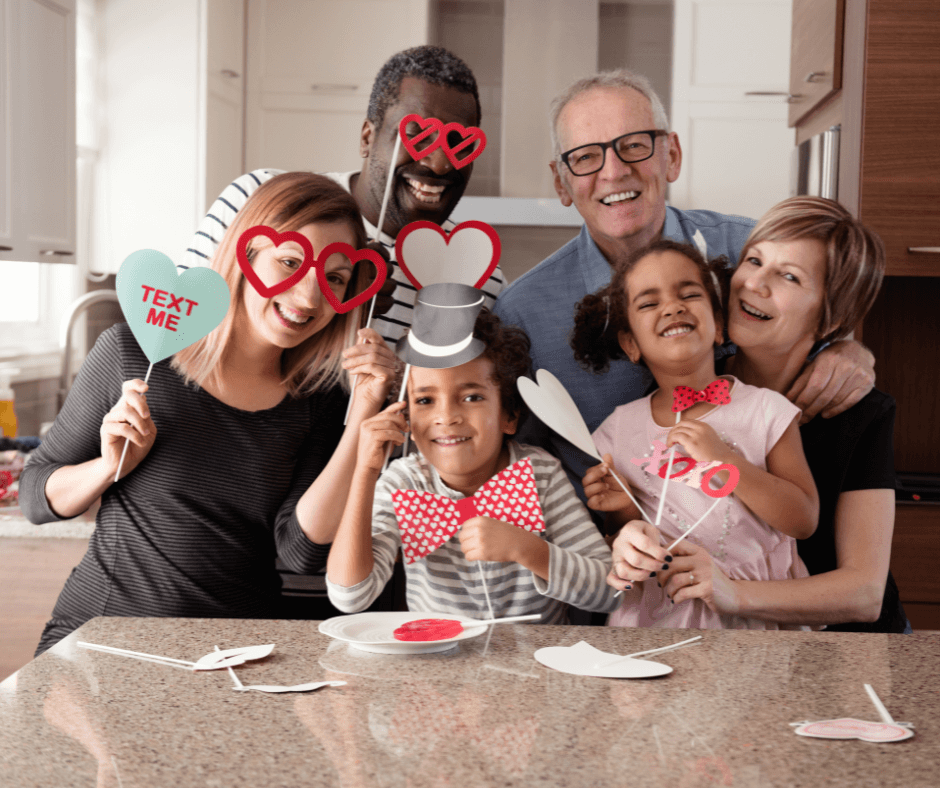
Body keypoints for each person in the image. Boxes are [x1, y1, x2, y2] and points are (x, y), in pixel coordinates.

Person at [20, 173, 400, 654]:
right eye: (289, 262)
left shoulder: (322, 401)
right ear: (248, 254)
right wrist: (106, 468)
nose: (309, 297)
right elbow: (35, 495)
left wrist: (363, 413)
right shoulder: (133, 355)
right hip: (102, 641)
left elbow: (301, 552)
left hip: (235, 652)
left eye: (336, 278)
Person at [494, 69, 876, 494]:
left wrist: (848, 348)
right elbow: (515, 462)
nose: (614, 171)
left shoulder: (750, 254)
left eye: (634, 145)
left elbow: (817, 315)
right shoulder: (521, 313)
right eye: (585, 157)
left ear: (671, 155)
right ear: (561, 182)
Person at [611, 197, 905, 632]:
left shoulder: (860, 412)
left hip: (844, 653)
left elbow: (864, 594)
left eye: (788, 276)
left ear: (830, 316)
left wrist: (734, 593)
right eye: (754, 260)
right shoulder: (684, 391)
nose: (754, 284)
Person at [325, 286, 619, 622]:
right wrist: (364, 474)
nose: (447, 416)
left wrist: (528, 550)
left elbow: (609, 592)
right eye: (425, 400)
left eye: (472, 397)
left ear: (509, 415)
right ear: (405, 418)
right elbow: (350, 597)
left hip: (537, 666)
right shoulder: (402, 483)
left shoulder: (540, 475)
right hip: (438, 666)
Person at [184, 45, 504, 345]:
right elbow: (176, 327)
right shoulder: (259, 199)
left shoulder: (478, 279)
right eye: (416, 136)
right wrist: (336, 309)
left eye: (460, 145)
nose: (439, 163)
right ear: (368, 137)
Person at [574, 239, 818, 629]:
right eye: (649, 303)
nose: (673, 307)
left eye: (689, 294)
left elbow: (803, 519)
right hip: (653, 625)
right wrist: (619, 509)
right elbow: (624, 535)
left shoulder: (766, 411)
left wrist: (726, 461)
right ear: (631, 343)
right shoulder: (617, 430)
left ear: (719, 326)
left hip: (752, 625)